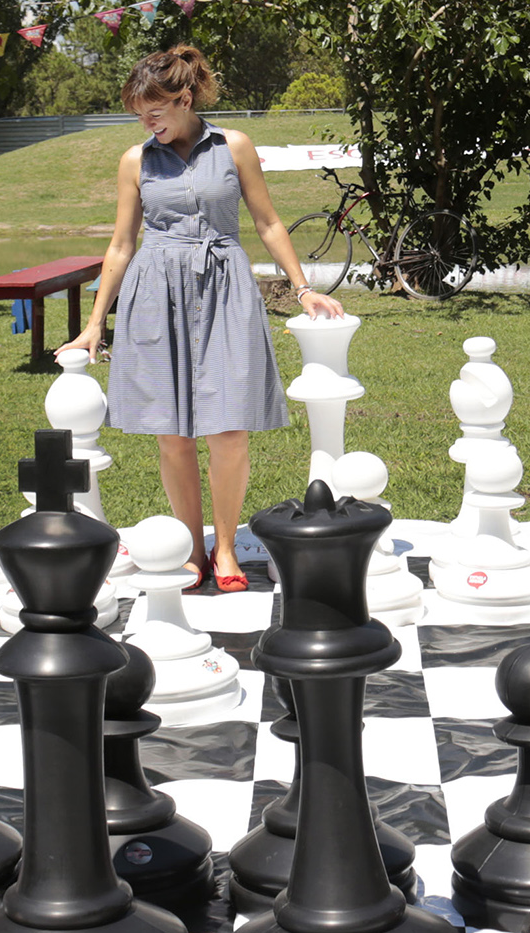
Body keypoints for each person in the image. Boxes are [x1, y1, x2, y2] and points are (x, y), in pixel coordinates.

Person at [56, 46, 342, 592]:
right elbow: (120, 246)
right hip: (155, 292)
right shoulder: (135, 161)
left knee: (229, 429)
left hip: (225, 289)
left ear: (184, 98)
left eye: (155, 112)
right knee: (172, 433)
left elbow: (268, 222)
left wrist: (302, 288)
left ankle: (227, 546)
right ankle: (192, 548)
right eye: (140, 115)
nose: (147, 124)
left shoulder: (234, 147)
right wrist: (95, 323)